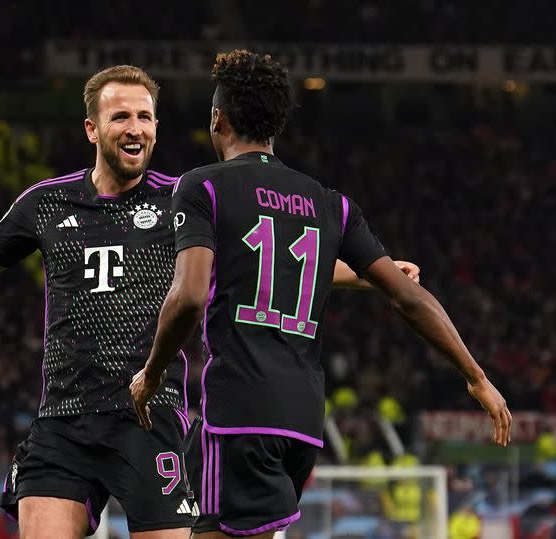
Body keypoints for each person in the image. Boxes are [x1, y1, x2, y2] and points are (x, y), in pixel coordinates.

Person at [0, 64, 417, 539]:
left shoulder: (187, 197)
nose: (136, 128)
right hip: (64, 421)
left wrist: (372, 275)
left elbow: (264, 257)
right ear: (92, 128)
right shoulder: (46, 205)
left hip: (150, 420)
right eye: (122, 117)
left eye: (146, 117)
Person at [129, 49, 512, 539]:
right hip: (303, 425)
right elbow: (409, 298)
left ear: (217, 120)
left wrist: (152, 372)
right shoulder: (329, 203)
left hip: (239, 417)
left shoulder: (203, 187)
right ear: (275, 126)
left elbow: (188, 295)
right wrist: (475, 375)